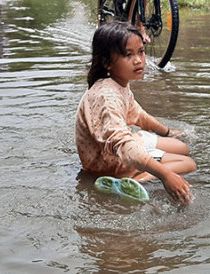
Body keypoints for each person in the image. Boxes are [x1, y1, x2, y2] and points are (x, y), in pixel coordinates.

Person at [75, 21, 196, 204]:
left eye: (141, 51)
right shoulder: (106, 96)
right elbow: (122, 145)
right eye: (128, 54)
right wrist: (165, 175)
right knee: (188, 164)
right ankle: (133, 181)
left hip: (121, 148)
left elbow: (138, 115)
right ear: (107, 62)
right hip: (110, 162)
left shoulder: (118, 83)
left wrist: (168, 132)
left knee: (183, 147)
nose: (139, 60)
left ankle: (146, 169)